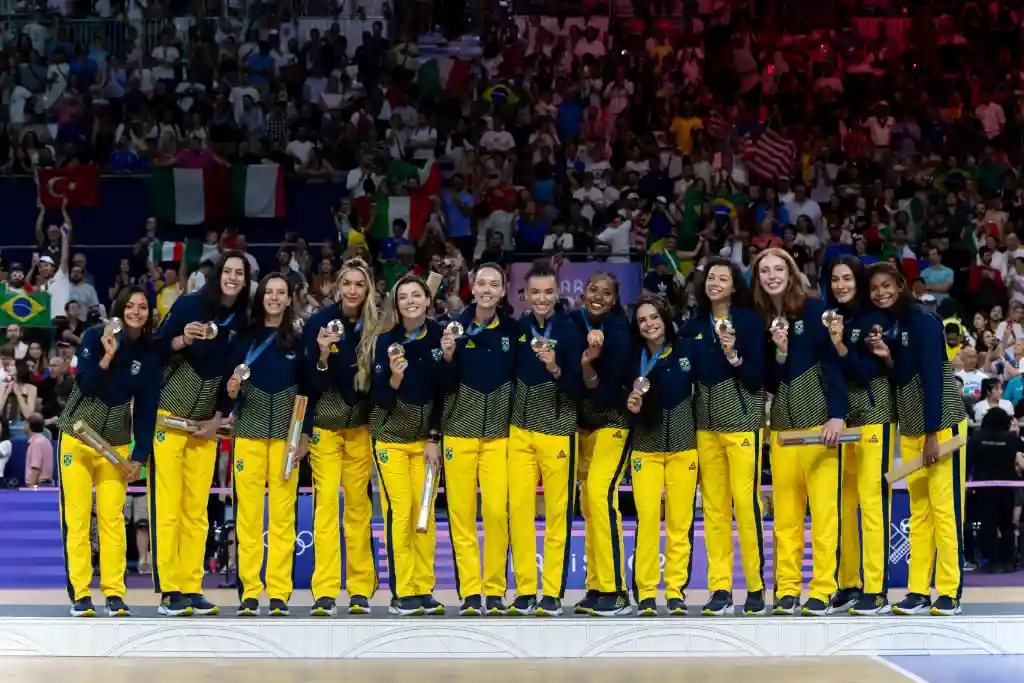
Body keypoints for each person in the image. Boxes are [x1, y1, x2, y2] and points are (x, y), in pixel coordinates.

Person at [149, 251, 251, 617]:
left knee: (197, 512)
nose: (233, 277)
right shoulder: (190, 304)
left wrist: (221, 416)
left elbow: (235, 375)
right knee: (168, 507)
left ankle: (192, 586)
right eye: (228, 270)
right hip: (169, 418)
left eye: (240, 273)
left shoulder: (243, 319)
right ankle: (169, 590)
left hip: (205, 425)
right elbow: (154, 348)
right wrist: (180, 340)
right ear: (217, 274)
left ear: (246, 279)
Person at [866, 262, 968, 616]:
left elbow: (934, 378)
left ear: (900, 284)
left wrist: (931, 437)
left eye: (886, 285)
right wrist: (888, 359)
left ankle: (950, 590)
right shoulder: (892, 326)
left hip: (940, 428)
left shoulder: (924, 319)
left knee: (945, 511)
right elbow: (904, 377)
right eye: (874, 288)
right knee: (920, 513)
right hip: (911, 428)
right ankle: (917, 591)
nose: (880, 292)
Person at [751, 247, 847, 616]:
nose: (772, 275)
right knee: (786, 517)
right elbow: (771, 380)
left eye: (779, 268)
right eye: (764, 271)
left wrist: (837, 415)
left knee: (824, 516)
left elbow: (833, 365)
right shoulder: (761, 319)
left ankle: (823, 589)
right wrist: (780, 350)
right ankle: (787, 589)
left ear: (791, 272)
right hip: (782, 431)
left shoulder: (814, 309)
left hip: (821, 426)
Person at [55, 286, 161, 617]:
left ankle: (115, 594)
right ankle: (81, 594)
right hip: (78, 437)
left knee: (113, 520)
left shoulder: (149, 353)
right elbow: (84, 385)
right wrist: (107, 356)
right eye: (130, 306)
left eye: (143, 307)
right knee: (77, 518)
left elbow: (146, 408)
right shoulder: (92, 337)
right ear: (119, 308)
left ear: (149, 314)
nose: (136, 312)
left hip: (115, 444)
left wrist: (139, 455)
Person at [684, 256, 767, 616]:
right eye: (711, 277)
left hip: (742, 424)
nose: (715, 282)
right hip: (705, 428)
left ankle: (755, 587)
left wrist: (733, 354)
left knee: (745, 507)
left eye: (723, 277)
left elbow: (756, 377)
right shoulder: (693, 326)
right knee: (715, 511)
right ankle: (719, 588)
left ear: (735, 285)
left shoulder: (749, 322)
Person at [225, 273, 310, 617]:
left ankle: (279, 593)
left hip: (286, 439)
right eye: (269, 293)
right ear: (261, 298)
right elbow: (228, 387)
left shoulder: (298, 341)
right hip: (249, 433)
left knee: (282, 518)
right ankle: (249, 591)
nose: (274, 298)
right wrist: (230, 391)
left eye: (281, 293)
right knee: (247, 517)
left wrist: (304, 434)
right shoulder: (244, 337)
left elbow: (309, 390)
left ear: (290, 299)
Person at [369, 275, 452, 616]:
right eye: (403, 296)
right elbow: (378, 397)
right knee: (400, 512)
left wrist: (433, 438)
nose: (410, 301)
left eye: (416, 294)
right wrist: (394, 377)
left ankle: (424, 589)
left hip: (426, 443)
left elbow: (446, 392)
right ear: (396, 304)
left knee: (424, 514)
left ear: (427, 299)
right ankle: (402, 591)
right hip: (389, 438)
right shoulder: (385, 342)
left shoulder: (439, 336)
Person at [304, 258, 381, 616]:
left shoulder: (377, 325)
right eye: (347, 283)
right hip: (325, 427)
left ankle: (361, 589)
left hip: (361, 429)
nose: (352, 290)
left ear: (368, 290)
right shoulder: (319, 322)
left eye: (359, 285)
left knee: (358, 509)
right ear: (337, 286)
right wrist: (322, 353)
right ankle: (324, 590)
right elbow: (309, 382)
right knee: (325, 510)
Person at [507, 261, 583, 617]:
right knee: (520, 512)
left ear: (557, 293)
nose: (541, 298)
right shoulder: (518, 328)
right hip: (519, 432)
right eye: (535, 292)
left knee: (557, 516)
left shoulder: (571, 330)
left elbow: (579, 385)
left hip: (558, 431)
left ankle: (551, 592)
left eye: (548, 292)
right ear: (525, 294)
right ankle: (524, 590)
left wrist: (555, 367)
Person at [441, 263, 516, 616]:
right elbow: (439, 383)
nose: (487, 289)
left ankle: (496, 591)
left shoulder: (514, 332)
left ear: (503, 291)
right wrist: (447, 356)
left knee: (497, 514)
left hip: (499, 437)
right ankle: (471, 592)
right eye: (481, 283)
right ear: (472, 286)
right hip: (458, 435)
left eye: (494, 284)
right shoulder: (453, 328)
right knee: (462, 516)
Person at [825, 255, 898, 616]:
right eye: (835, 279)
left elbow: (867, 370)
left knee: (872, 502)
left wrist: (840, 346)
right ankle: (849, 583)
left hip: (873, 416)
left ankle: (877, 588)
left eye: (847, 278)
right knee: (845, 505)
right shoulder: (835, 318)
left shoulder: (873, 319)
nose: (840, 285)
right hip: (843, 422)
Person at [626, 295, 699, 616]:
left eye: (654, 316)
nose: (649, 323)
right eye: (642, 320)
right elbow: (620, 399)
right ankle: (645, 594)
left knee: (680, 523)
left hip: (684, 447)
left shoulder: (686, 351)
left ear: (664, 317)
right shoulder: (632, 358)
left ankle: (675, 592)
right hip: (646, 448)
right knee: (647, 523)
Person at [571, 272, 633, 616]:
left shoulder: (620, 332)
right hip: (584, 429)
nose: (598, 296)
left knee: (600, 495)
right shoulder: (573, 323)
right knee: (589, 505)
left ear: (614, 299)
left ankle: (617, 590)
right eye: (593, 289)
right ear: (583, 292)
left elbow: (607, 392)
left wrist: (587, 369)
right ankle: (596, 586)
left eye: (606, 293)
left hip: (614, 424)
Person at [968, 407, 1020, 573]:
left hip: (984, 488)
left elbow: (968, 461)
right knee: (1007, 525)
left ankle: (993, 562)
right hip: (1008, 487)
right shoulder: (1012, 439)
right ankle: (1009, 561)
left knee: (988, 525)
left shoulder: (977, 438)